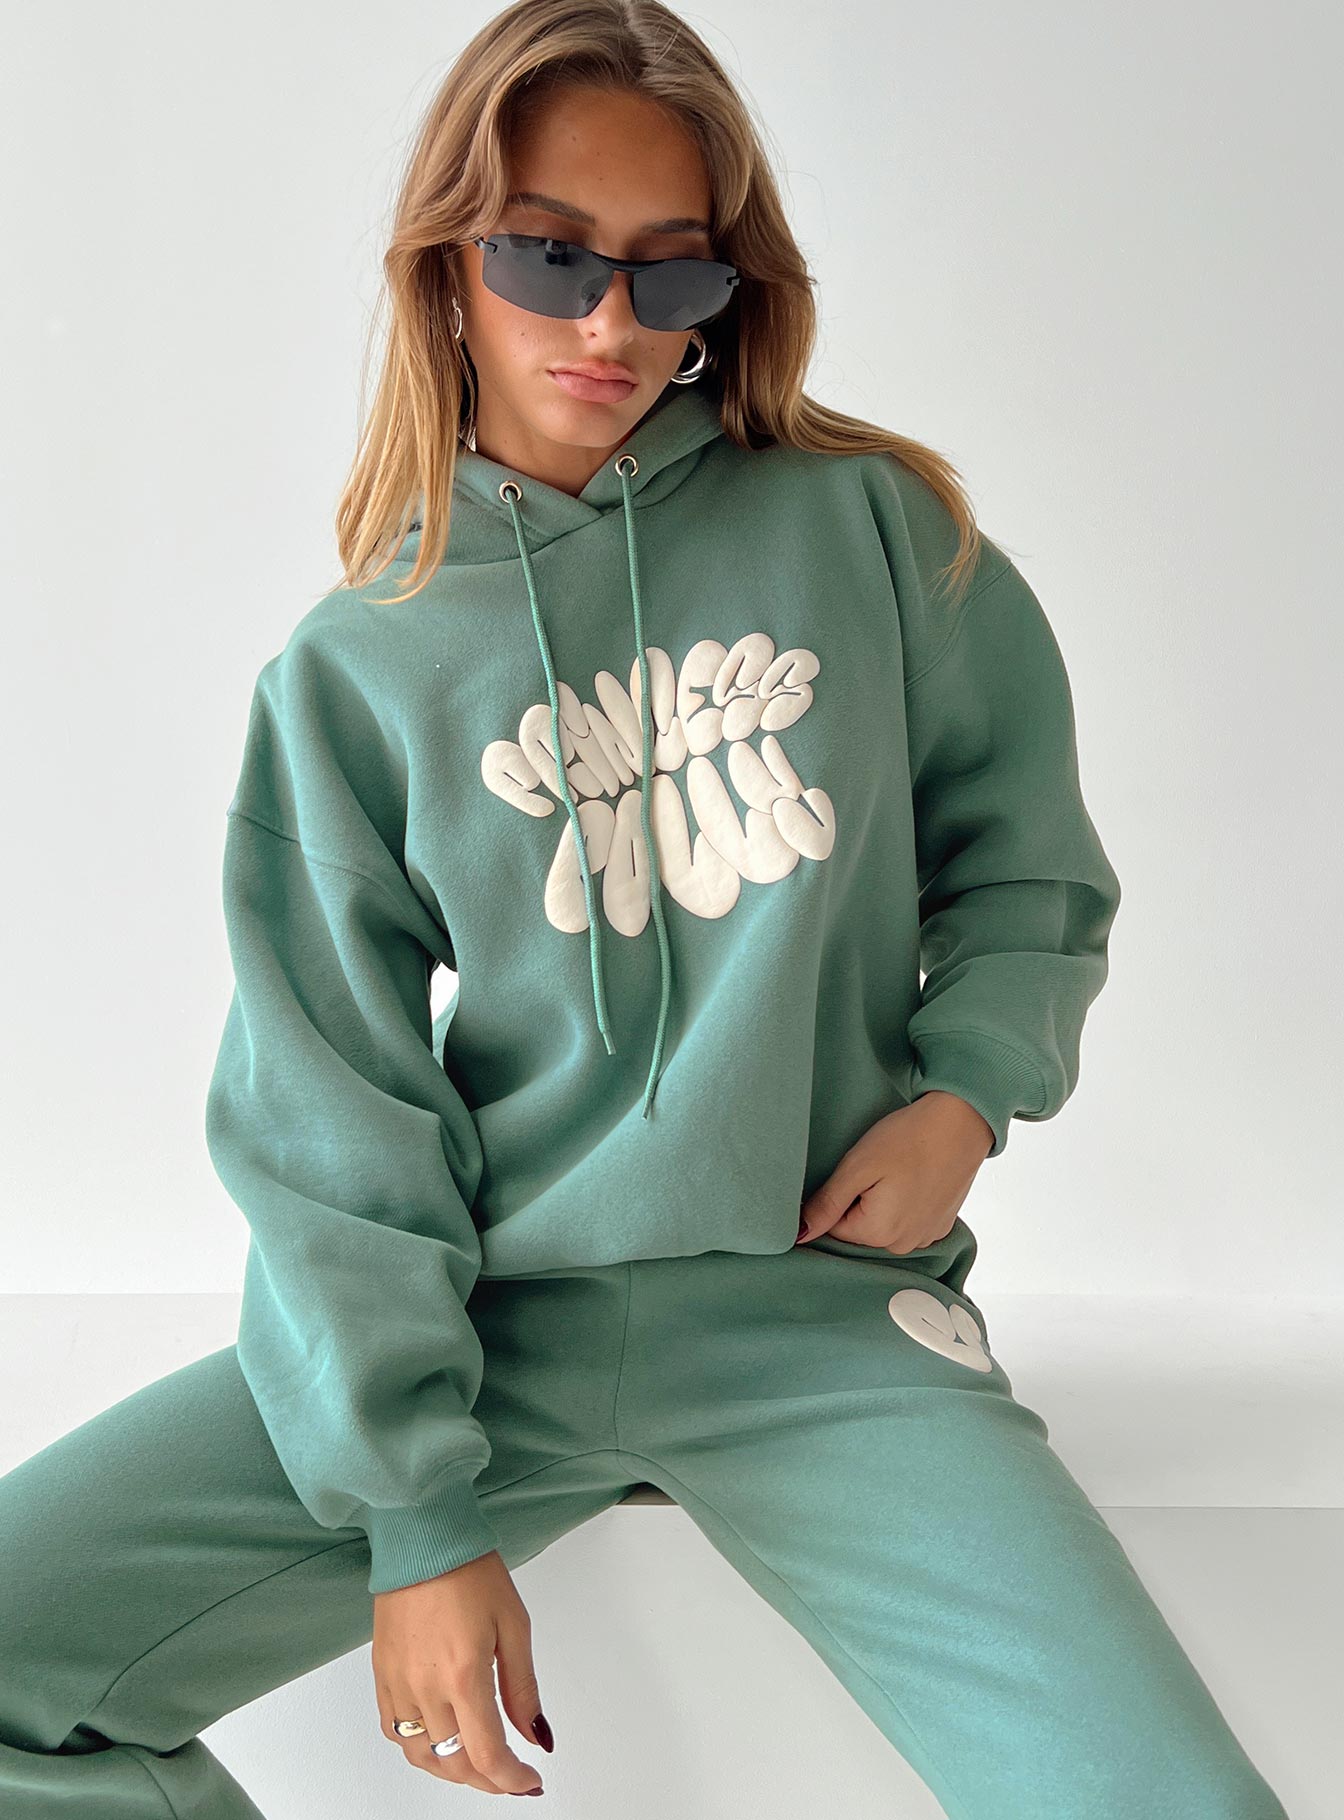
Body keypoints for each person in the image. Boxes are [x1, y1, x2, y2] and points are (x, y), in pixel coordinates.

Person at [0, 3, 1289, 1816]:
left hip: (819, 1325)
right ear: (446, 262)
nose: (608, 325)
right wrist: (416, 1524)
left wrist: (965, 1099)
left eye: (669, 273)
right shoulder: (359, 666)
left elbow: (1028, 867)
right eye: (549, 256)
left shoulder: (874, 534)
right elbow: (332, 1116)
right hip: (491, 1337)